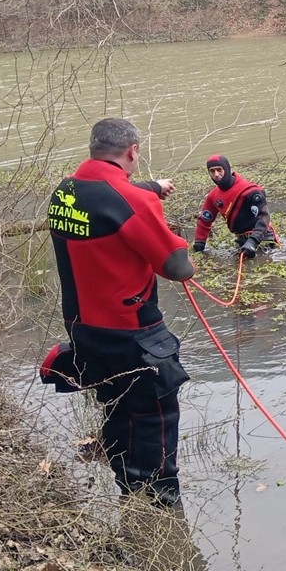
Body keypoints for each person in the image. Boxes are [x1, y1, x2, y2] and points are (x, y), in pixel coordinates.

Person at [44, 117, 195, 506]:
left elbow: (105, 200)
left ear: (94, 148)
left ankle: (127, 488)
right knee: (154, 415)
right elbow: (178, 267)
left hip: (84, 331)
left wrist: (151, 189)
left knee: (117, 406)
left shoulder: (65, 192)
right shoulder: (133, 202)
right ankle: (161, 506)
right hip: (131, 332)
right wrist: (165, 225)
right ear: (133, 151)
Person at [192, 154, 278, 258]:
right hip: (241, 241)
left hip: (263, 239)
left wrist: (253, 241)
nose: (216, 174)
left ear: (227, 169)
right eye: (212, 171)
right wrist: (199, 244)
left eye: (219, 170)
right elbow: (204, 220)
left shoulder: (251, 191)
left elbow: (263, 217)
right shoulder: (213, 196)